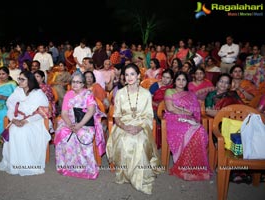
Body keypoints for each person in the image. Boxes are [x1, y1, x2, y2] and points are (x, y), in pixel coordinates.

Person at [106, 63, 162, 195]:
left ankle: (139, 176)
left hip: (141, 125)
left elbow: (149, 116)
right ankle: (126, 174)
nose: (129, 77)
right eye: (126, 74)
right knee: (125, 140)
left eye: (132, 74)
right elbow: (117, 116)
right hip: (123, 125)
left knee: (139, 142)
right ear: (124, 77)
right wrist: (125, 127)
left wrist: (139, 127)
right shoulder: (120, 93)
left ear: (138, 76)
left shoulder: (146, 94)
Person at [54, 71, 105, 179]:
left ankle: (85, 167)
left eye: (78, 82)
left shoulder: (88, 94)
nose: (75, 84)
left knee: (83, 135)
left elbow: (90, 111)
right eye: (73, 82)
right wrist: (71, 125)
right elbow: (64, 113)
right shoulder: (68, 94)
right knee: (62, 132)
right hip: (70, 121)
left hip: (85, 122)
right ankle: (67, 166)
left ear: (83, 84)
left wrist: (79, 125)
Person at [0, 71, 50, 176]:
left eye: (22, 79)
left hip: (35, 120)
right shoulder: (17, 91)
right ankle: (15, 162)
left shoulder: (38, 93)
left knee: (23, 131)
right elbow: (10, 107)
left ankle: (27, 163)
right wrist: (13, 119)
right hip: (18, 118)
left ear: (29, 81)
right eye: (19, 79)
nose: (19, 81)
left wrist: (26, 121)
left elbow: (42, 113)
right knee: (13, 130)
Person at [164, 71, 211, 181]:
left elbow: (194, 111)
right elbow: (170, 108)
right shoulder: (169, 91)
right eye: (178, 79)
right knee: (188, 129)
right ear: (174, 81)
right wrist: (185, 111)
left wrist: (187, 113)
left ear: (187, 82)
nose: (181, 82)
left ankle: (192, 164)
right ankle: (184, 166)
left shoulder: (191, 94)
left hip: (189, 119)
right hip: (173, 119)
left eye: (183, 80)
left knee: (199, 130)